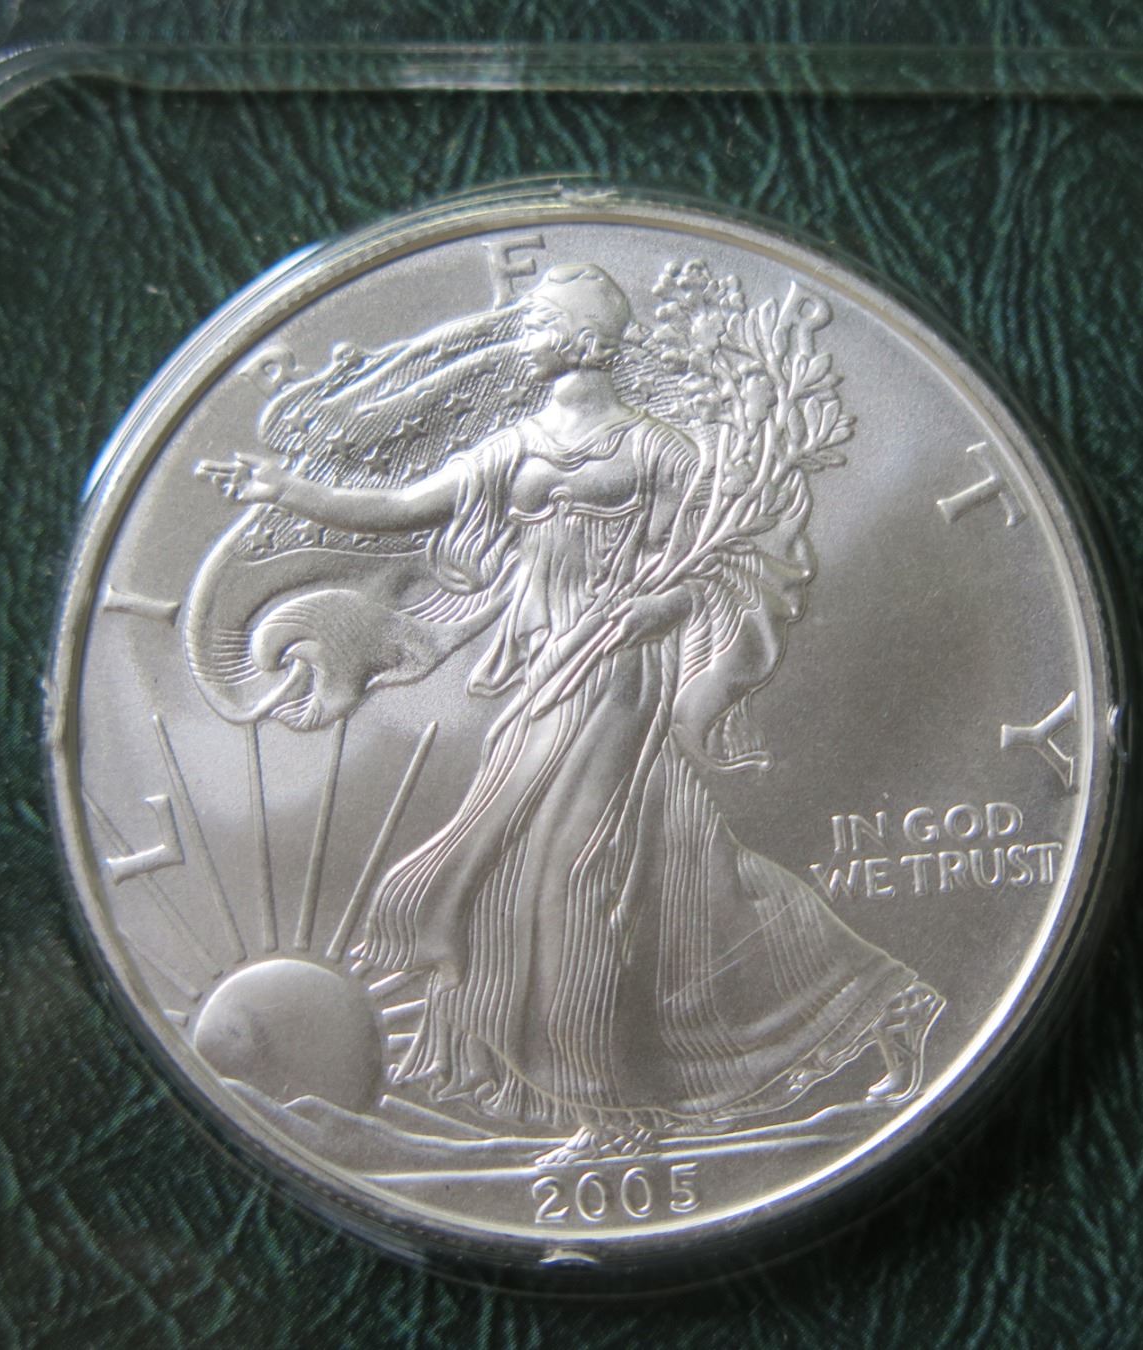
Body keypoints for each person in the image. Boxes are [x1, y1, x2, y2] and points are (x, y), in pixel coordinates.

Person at [198, 264, 940, 1164]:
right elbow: (399, 508)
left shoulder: (661, 449)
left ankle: (610, 1109)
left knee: (566, 874)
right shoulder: (516, 444)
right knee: (671, 871)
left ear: (586, 342)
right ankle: (877, 1003)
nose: (524, 335)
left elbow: (727, 556)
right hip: (548, 669)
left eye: (540, 321)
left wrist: (661, 607)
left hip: (622, 675)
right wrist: (286, 490)